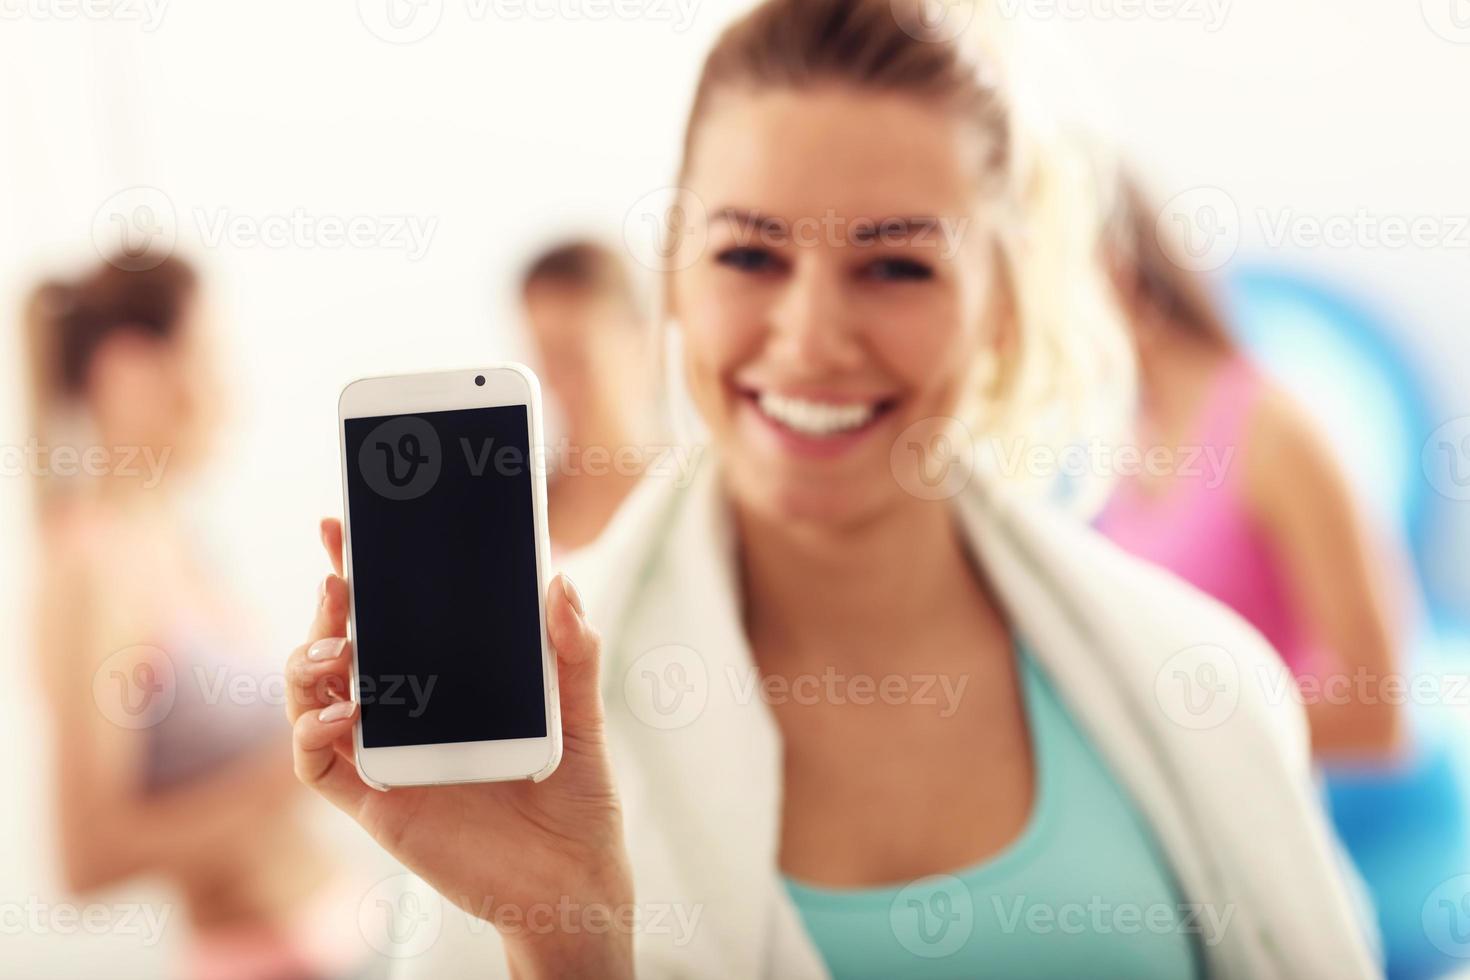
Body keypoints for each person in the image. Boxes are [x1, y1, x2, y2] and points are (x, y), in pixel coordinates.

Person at [284, 1, 1379, 977]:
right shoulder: (541, 734)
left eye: (896, 264)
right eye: (749, 258)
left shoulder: (1208, 684)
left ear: (1001, 301)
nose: (809, 339)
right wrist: (564, 938)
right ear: (673, 277)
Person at [26, 254, 365, 980]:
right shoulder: (92, 572)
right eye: (209, 359)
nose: (228, 395)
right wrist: (296, 768)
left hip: (334, 936)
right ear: (128, 372)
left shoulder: (181, 543)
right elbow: (87, 854)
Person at [1097, 168, 1407, 762]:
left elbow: (1379, 712)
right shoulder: (1127, 435)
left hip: (1258, 821)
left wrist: (1161, 724)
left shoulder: (1276, 434)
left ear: (1111, 269)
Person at [518, 240, 656, 552]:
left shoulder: (702, 498)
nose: (554, 382)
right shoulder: (522, 511)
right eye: (543, 355)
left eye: (575, 356)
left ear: (644, 343)